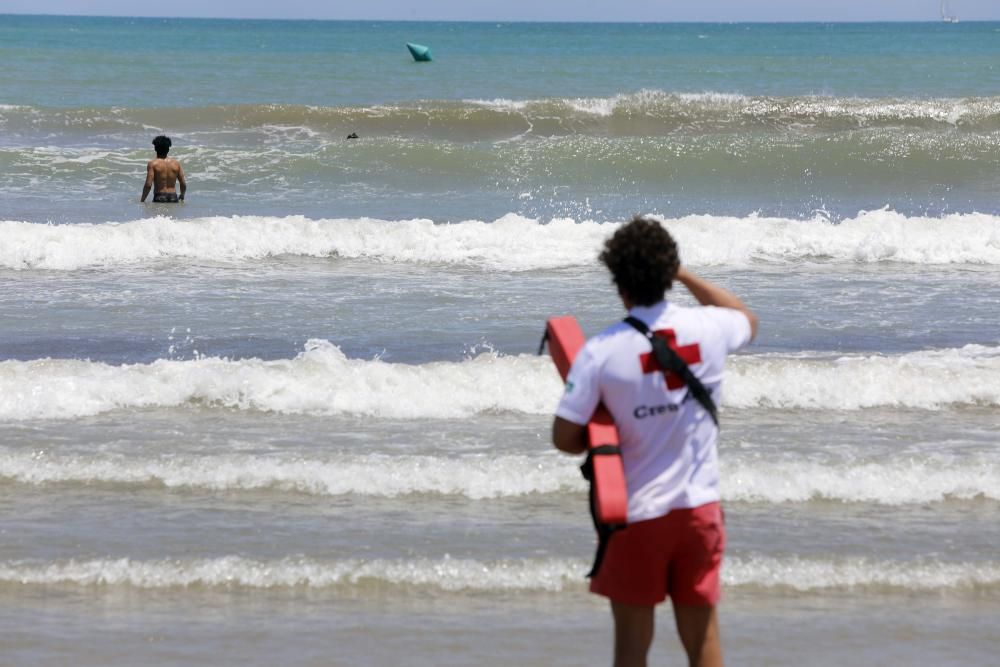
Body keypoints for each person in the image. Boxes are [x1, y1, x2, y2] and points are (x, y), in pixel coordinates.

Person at [552, 216, 758, 667]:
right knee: (703, 644)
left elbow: (564, 438)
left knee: (631, 650)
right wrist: (682, 274)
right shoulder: (709, 329)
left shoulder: (601, 351)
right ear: (667, 274)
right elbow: (746, 319)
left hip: (638, 517)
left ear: (617, 280)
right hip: (700, 512)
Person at [140, 135, 186, 203]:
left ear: (155, 148)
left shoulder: (153, 164)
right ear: (168, 149)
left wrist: (142, 200)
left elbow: (148, 185)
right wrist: (182, 195)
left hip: (159, 197)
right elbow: (183, 184)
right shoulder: (176, 164)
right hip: (173, 197)